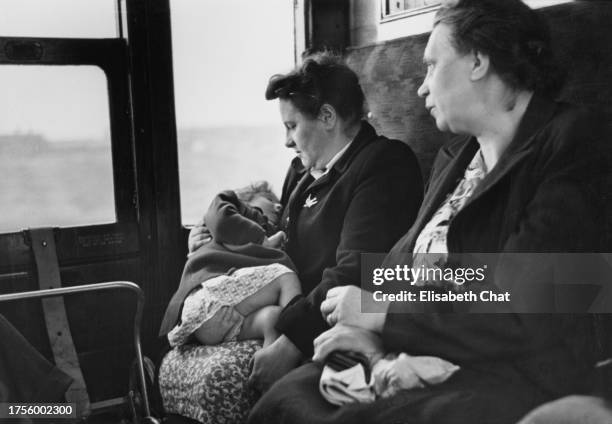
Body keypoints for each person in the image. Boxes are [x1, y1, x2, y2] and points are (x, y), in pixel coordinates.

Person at [248, 0, 609, 423]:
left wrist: (381, 314)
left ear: (477, 61)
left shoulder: (575, 142)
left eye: (432, 66)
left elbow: (536, 299)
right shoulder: (456, 155)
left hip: (510, 371)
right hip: (421, 344)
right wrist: (351, 317)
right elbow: (405, 263)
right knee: (283, 401)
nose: (421, 88)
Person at [173, 51, 424, 394]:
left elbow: (357, 270)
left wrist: (289, 344)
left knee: (223, 381)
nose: (287, 141)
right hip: (288, 312)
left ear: (327, 117)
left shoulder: (383, 165)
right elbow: (282, 245)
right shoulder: (301, 172)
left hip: (325, 323)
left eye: (292, 126)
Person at [159, 182, 301, 349]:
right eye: (268, 199)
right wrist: (263, 239)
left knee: (273, 318)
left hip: (217, 324)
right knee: (287, 278)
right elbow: (220, 217)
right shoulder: (231, 206)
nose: (278, 207)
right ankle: (291, 343)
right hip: (209, 300)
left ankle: (274, 360)